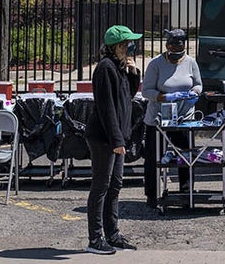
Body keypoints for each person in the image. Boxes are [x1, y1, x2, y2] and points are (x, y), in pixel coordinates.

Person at [85, 25, 140, 253]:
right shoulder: (105, 69)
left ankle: (113, 233)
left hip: (116, 136)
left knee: (115, 184)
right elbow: (107, 107)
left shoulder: (118, 68)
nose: (130, 48)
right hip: (104, 137)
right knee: (101, 185)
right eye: (127, 44)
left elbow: (127, 97)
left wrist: (133, 73)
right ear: (117, 46)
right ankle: (95, 239)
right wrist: (117, 140)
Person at [138, 26, 202, 207]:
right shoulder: (156, 64)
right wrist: (164, 97)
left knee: (185, 155)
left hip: (184, 117)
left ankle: (185, 191)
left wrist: (193, 94)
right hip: (158, 118)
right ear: (167, 46)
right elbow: (146, 91)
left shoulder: (190, 62)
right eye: (171, 47)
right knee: (153, 157)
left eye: (178, 47)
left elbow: (198, 84)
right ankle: (151, 194)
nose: (175, 51)